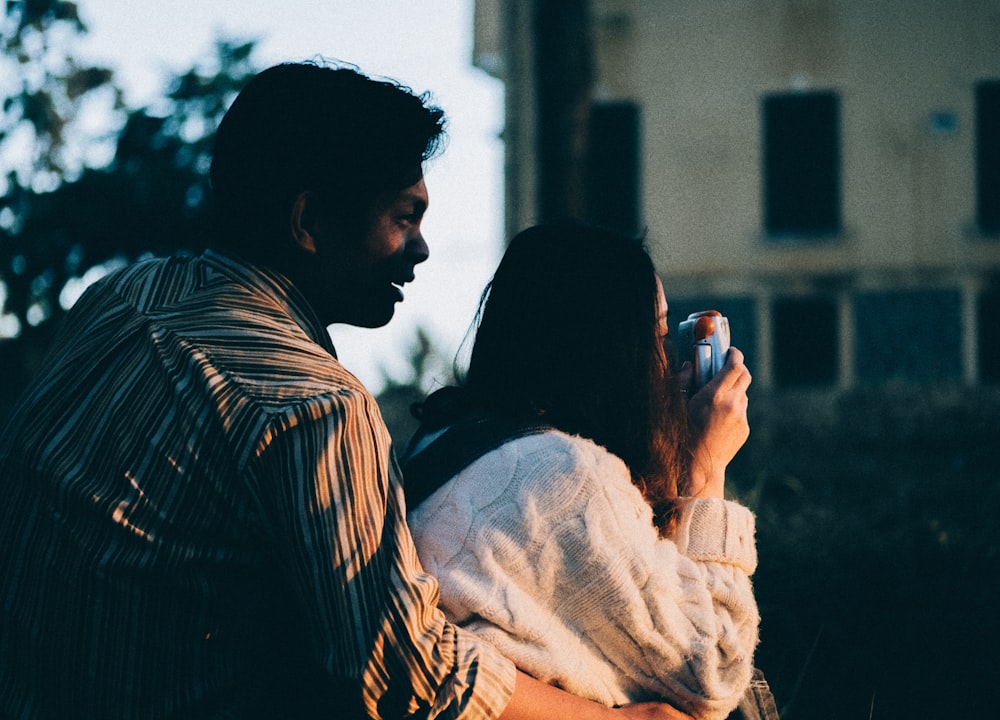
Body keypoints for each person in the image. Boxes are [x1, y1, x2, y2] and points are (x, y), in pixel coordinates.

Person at [0, 62, 690, 720]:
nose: (421, 249)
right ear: (307, 223)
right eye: (403, 217)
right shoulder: (314, 407)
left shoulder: (125, 298)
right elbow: (403, 673)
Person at [402, 221, 774, 720]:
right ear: (614, 354)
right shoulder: (563, 476)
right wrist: (706, 470)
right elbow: (713, 674)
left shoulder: (447, 440)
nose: (665, 363)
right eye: (658, 337)